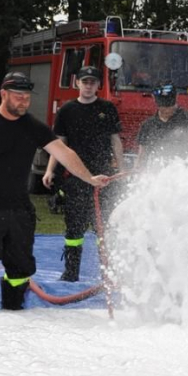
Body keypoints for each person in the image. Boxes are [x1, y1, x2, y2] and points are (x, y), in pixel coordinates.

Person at [0, 71, 109, 312]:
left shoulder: (32, 126)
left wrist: (89, 178)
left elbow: (64, 153)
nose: (24, 102)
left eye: (26, 97)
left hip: (19, 208)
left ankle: (13, 313)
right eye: (18, 97)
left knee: (20, 265)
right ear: (3, 94)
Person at [43, 66, 125, 282]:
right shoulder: (67, 111)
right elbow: (59, 144)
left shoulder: (107, 108)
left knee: (104, 228)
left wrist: (121, 167)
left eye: (93, 82)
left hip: (104, 178)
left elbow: (115, 140)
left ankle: (110, 274)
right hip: (75, 179)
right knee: (74, 228)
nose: (88, 85)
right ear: (77, 83)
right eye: (84, 81)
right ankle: (71, 273)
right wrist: (50, 170)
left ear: (99, 85)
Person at [135, 83, 188, 168]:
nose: (167, 111)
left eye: (170, 107)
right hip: (156, 171)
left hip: (183, 170)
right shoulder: (148, 125)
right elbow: (142, 154)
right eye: (163, 108)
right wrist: (137, 170)